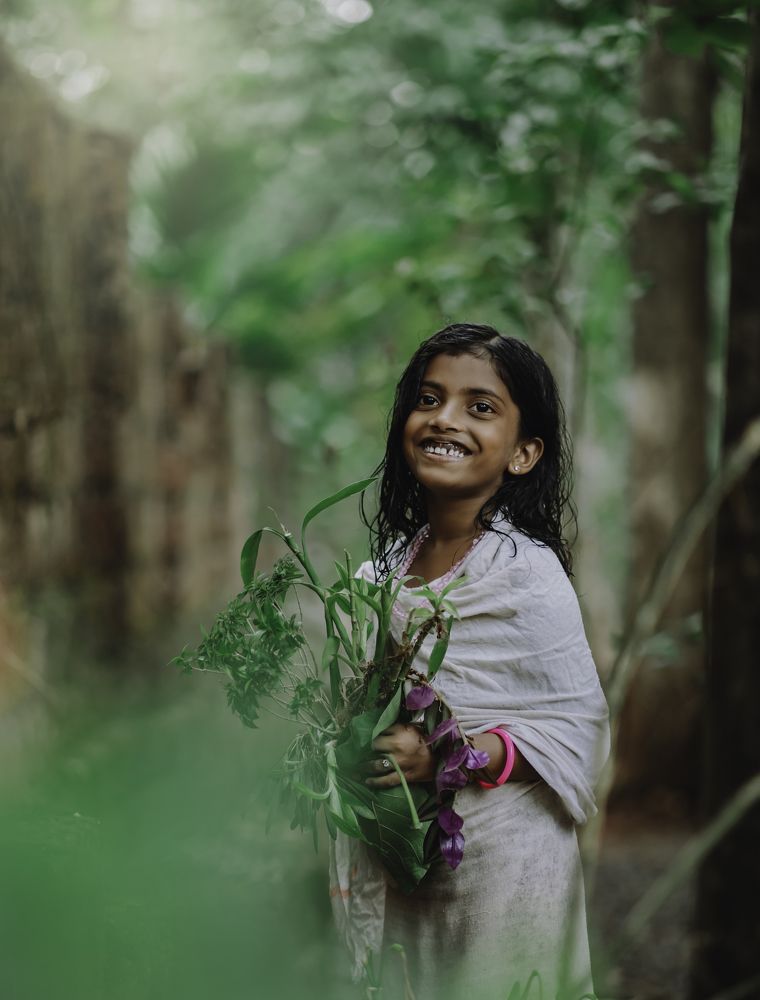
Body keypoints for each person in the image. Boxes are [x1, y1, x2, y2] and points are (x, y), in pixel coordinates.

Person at [329, 323, 610, 1000]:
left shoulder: (525, 576)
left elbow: (576, 730)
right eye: (429, 399)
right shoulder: (381, 575)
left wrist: (447, 756)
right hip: (403, 866)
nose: (444, 419)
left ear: (522, 452)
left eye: (480, 407)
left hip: (505, 870)